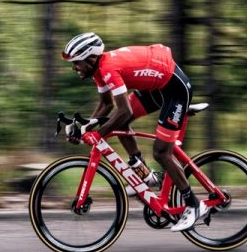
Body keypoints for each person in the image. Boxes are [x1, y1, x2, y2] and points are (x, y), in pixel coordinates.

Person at [61, 32, 208, 232]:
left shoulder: (108, 69)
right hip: (156, 86)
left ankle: (193, 205)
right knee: (121, 123)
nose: (73, 67)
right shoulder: (98, 72)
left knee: (162, 152)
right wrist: (85, 127)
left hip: (175, 90)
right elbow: (106, 105)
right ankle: (144, 174)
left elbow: (124, 110)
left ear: (91, 59)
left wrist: (99, 134)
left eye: (77, 62)